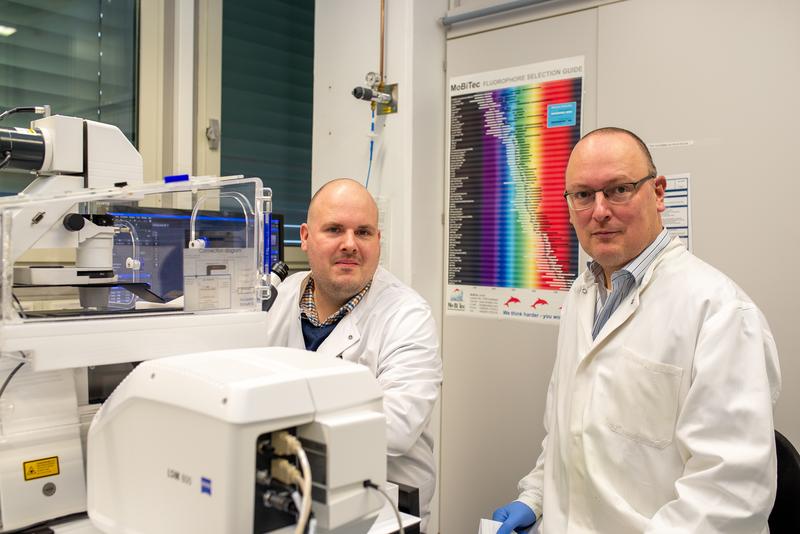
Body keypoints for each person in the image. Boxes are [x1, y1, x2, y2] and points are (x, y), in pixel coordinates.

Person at [492, 127, 781, 534]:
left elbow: (728, 497)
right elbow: (566, 431)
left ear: (658, 192)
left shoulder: (720, 312)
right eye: (582, 195)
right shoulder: (582, 293)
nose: (599, 210)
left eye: (619, 189)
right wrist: (535, 498)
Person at [265, 178, 442, 531]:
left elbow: (395, 428)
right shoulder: (281, 297)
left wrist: (268, 421)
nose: (350, 244)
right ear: (305, 237)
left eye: (363, 232)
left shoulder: (407, 315)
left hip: (381, 510)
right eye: (334, 230)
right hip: (288, 497)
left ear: (378, 241)